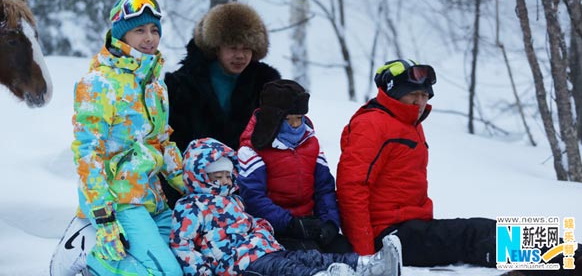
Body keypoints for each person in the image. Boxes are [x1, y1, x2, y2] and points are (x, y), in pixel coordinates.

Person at [49, 0, 185, 276]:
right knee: (167, 274)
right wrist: (104, 218)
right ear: (121, 34)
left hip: (153, 198)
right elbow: (88, 155)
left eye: (154, 29)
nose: (149, 38)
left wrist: (191, 186)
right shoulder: (99, 83)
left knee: (187, 261)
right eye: (139, 31)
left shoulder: (156, 85)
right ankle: (93, 263)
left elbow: (162, 141)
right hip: (119, 201)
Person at [336, 59, 498, 267]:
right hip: (388, 238)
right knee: (477, 234)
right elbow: (351, 189)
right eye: (413, 93)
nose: (420, 102)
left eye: (424, 95)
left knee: (483, 232)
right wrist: (366, 257)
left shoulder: (408, 122)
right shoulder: (372, 124)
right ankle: (552, 254)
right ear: (394, 92)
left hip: (412, 226)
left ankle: (552, 250)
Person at [169, 137, 402, 276]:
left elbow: (251, 222)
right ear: (198, 177)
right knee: (288, 268)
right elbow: (182, 245)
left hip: (264, 249)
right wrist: (204, 272)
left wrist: (262, 229)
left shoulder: (234, 200)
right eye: (216, 177)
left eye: (228, 176)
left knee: (310, 256)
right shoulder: (191, 207)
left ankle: (369, 265)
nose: (225, 182)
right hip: (238, 264)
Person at [161, 1, 280, 208]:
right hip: (194, 190)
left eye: (247, 48)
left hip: (251, 188)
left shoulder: (268, 86)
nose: (240, 55)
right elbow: (171, 146)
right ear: (216, 48)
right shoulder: (181, 85)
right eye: (233, 48)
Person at [237, 79, 352, 253]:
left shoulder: (310, 142)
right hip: (273, 228)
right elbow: (253, 198)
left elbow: (324, 188)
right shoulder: (252, 149)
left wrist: (329, 222)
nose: (296, 125)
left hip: (310, 221)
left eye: (299, 118)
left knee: (343, 248)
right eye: (288, 120)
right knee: (309, 255)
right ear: (273, 118)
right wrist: (290, 223)